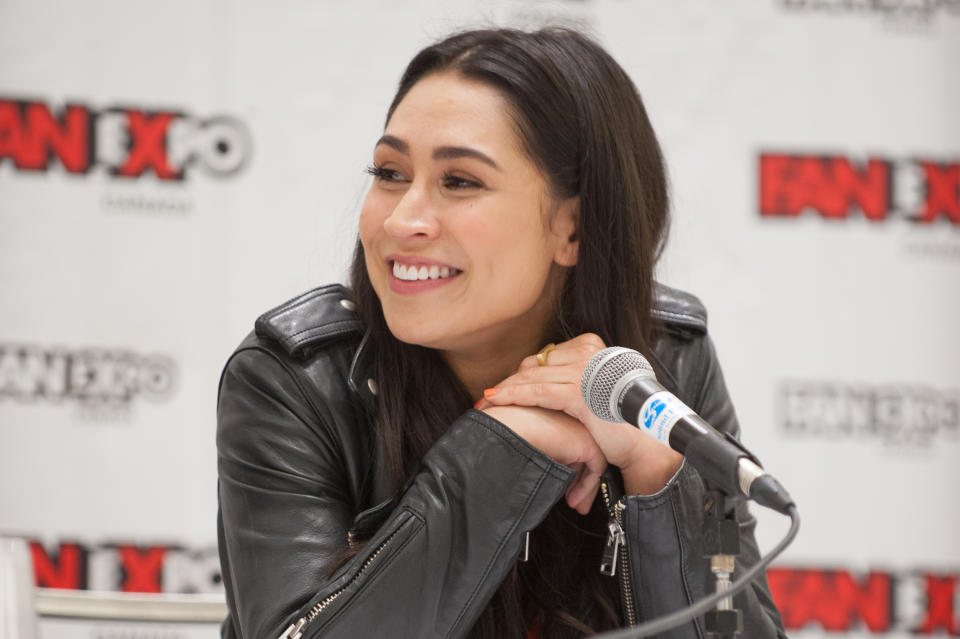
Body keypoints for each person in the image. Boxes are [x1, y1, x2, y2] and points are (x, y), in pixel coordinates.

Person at [216, 27, 786, 639]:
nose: (403, 218)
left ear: (575, 227)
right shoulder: (295, 382)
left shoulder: (665, 364)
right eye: (388, 172)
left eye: (460, 181)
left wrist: (657, 470)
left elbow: (733, 626)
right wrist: (510, 443)